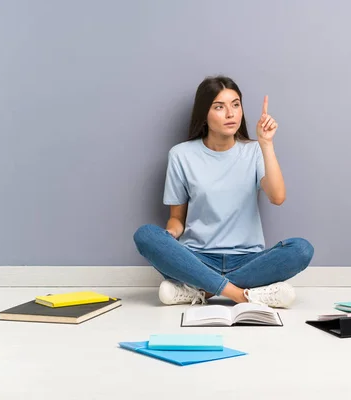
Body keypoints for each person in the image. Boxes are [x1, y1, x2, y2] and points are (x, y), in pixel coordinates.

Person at [133, 75, 314, 308]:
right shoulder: (181, 155)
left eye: (235, 105)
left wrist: (266, 144)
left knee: (301, 249)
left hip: (249, 260)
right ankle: (243, 294)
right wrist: (167, 240)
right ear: (204, 115)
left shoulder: (255, 150)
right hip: (197, 258)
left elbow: (277, 197)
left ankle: (201, 291)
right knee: (146, 235)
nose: (231, 114)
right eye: (219, 107)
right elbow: (177, 219)